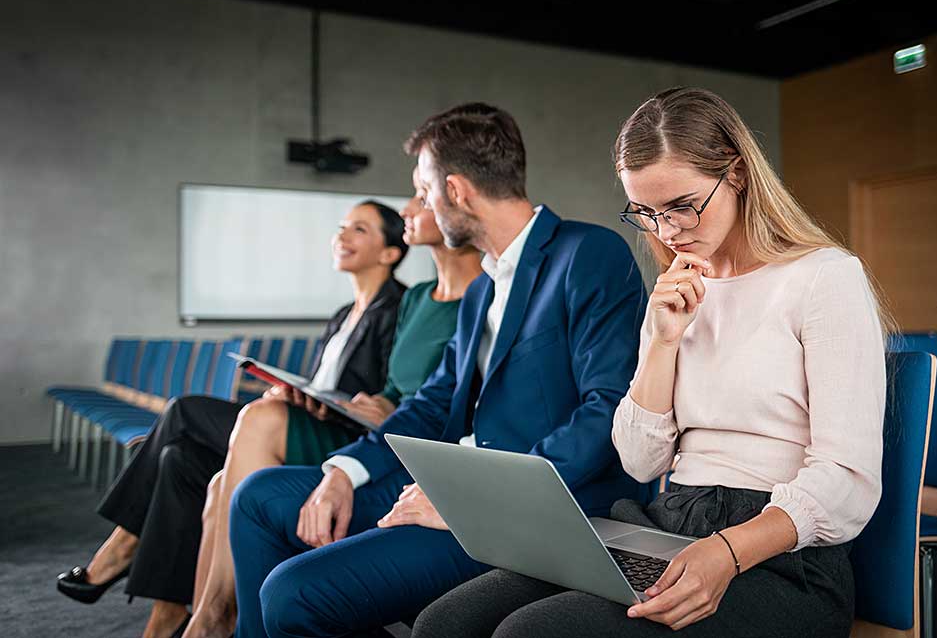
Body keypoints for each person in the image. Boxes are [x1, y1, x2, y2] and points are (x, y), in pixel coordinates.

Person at [412, 86, 891, 638]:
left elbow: (848, 480)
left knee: (532, 632)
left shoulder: (824, 277)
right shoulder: (675, 292)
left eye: (682, 206)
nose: (667, 232)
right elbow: (640, 463)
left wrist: (727, 552)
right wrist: (664, 341)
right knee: (444, 623)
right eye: (646, 213)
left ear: (736, 174)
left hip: (781, 552)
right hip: (666, 522)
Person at [226, 102, 655, 638]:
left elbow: (606, 409)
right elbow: (431, 405)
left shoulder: (587, 254)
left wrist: (476, 498)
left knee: (292, 593)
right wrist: (345, 471)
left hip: (537, 511)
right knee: (258, 497)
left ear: (456, 191)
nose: (420, 203)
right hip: (454, 485)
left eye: (424, 189)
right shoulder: (480, 290)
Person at [57, 200, 409, 638]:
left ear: (390, 252)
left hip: (335, 436)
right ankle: (168, 617)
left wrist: (323, 402)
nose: (342, 235)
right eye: (341, 226)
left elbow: (378, 396)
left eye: (359, 229)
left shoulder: (396, 308)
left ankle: (124, 545)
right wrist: (291, 391)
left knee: (184, 410)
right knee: (178, 459)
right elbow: (323, 382)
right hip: (301, 417)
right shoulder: (342, 314)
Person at [180, 169, 483, 638]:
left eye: (421, 197)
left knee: (248, 429)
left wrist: (378, 417)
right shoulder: (418, 297)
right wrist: (364, 411)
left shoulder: (484, 297)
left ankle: (215, 615)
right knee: (219, 479)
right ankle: (206, 616)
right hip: (382, 431)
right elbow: (401, 389)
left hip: (417, 448)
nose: (407, 208)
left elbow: (448, 403)